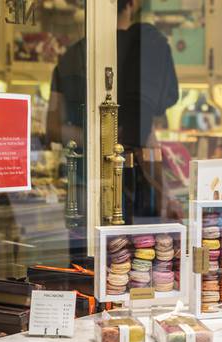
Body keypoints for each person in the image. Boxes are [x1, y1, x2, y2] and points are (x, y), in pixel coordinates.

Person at [49, 0, 179, 223]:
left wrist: (94, 140)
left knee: (83, 255)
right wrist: (164, 193)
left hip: (82, 184)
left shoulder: (70, 58)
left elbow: (52, 128)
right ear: (132, 3)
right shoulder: (143, 53)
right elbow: (144, 137)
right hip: (130, 186)